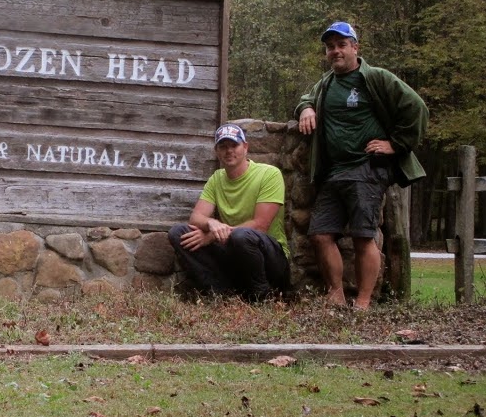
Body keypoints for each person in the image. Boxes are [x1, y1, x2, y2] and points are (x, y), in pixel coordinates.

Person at [295, 21, 428, 310]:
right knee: (320, 234)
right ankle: (336, 296)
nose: (335, 51)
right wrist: (305, 108)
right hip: (333, 172)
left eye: (341, 45)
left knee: (363, 236)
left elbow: (416, 107)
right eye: (330, 47)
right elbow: (307, 97)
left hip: (367, 169)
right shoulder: (326, 83)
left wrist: (396, 144)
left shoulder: (376, 78)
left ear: (355, 47)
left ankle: (364, 302)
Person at [168, 123, 290, 301]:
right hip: (234, 255)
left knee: (241, 236)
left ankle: (264, 297)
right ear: (217, 151)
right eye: (223, 146)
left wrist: (211, 236)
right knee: (178, 233)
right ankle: (221, 294)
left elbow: (260, 225)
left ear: (245, 147)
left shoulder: (269, 174)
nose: (229, 151)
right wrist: (211, 223)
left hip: (271, 261)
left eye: (234, 145)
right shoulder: (216, 179)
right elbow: (196, 217)